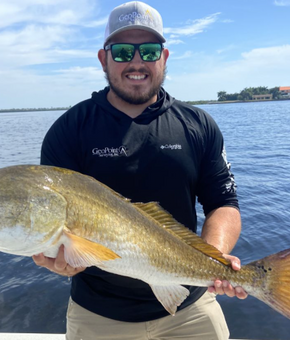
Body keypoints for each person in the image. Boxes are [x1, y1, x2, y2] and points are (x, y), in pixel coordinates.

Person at [33, 1, 247, 339]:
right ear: (104, 58)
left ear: (164, 57)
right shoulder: (70, 129)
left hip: (192, 306)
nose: (136, 62)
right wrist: (57, 257)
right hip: (98, 314)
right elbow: (57, 223)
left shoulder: (198, 124)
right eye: (122, 51)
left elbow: (223, 202)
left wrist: (214, 257)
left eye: (148, 50)